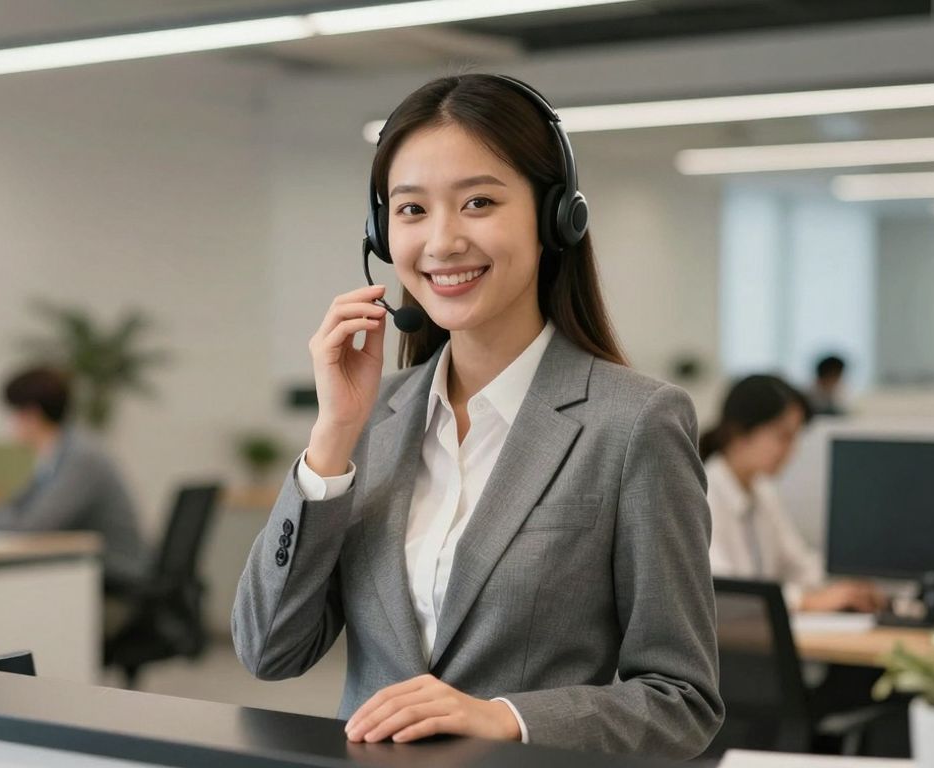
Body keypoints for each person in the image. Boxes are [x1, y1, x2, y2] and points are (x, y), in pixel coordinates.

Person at [232, 74, 722, 757]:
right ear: (381, 233)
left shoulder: (636, 423)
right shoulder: (372, 421)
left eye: (479, 202)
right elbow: (268, 650)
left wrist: (506, 718)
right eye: (411, 211)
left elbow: (682, 700)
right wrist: (333, 437)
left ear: (557, 219)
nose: (442, 241)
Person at [0, 366, 146, 589]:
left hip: (114, 583)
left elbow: (34, 524)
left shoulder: (80, 457)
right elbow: (16, 507)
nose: (12, 425)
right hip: (89, 575)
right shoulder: (56, 455)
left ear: (31, 415)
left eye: (15, 414)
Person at [702, 374, 883, 612]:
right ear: (740, 433)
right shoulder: (703, 493)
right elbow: (726, 589)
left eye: (795, 437)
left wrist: (847, 586)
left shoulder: (762, 491)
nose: (791, 450)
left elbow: (799, 564)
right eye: (783, 436)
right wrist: (807, 601)